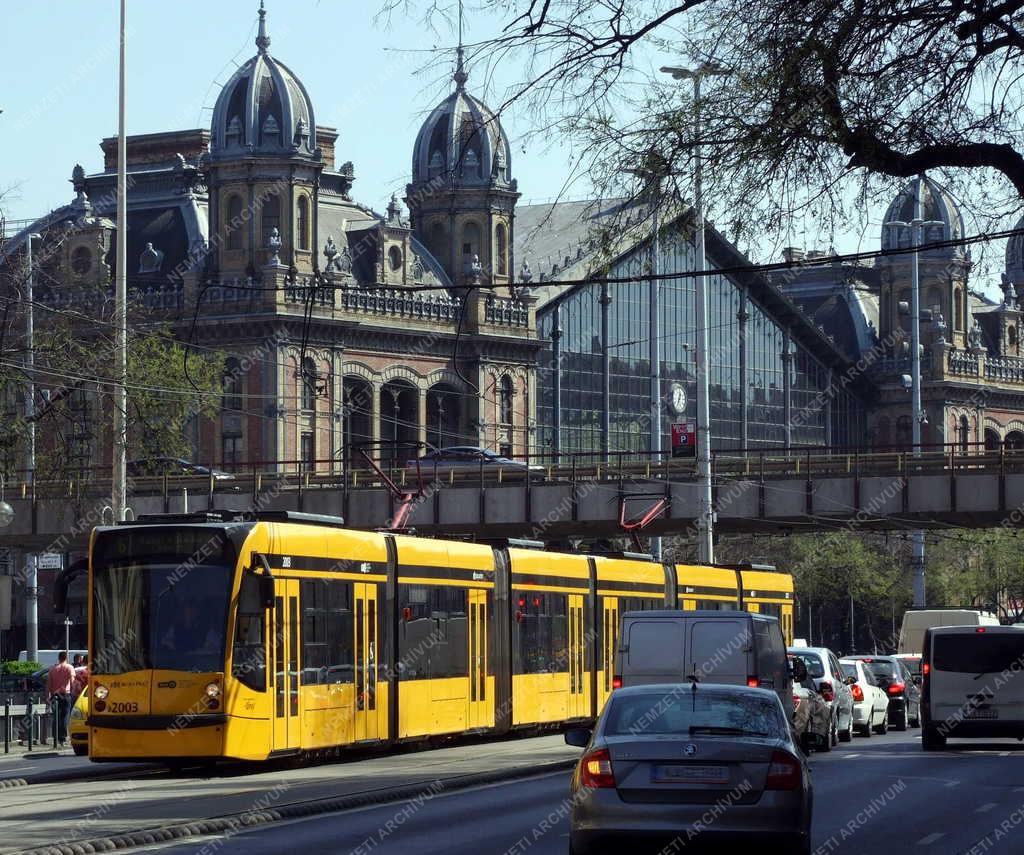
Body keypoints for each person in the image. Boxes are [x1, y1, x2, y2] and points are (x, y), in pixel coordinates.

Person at [46, 651, 75, 748]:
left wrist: (48, 696)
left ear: (59, 658)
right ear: (66, 658)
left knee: (56, 717)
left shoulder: (52, 669)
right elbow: (72, 681)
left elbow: (48, 685)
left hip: (55, 696)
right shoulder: (69, 667)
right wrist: (73, 692)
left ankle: (55, 738)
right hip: (65, 695)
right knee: (64, 717)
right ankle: (62, 738)